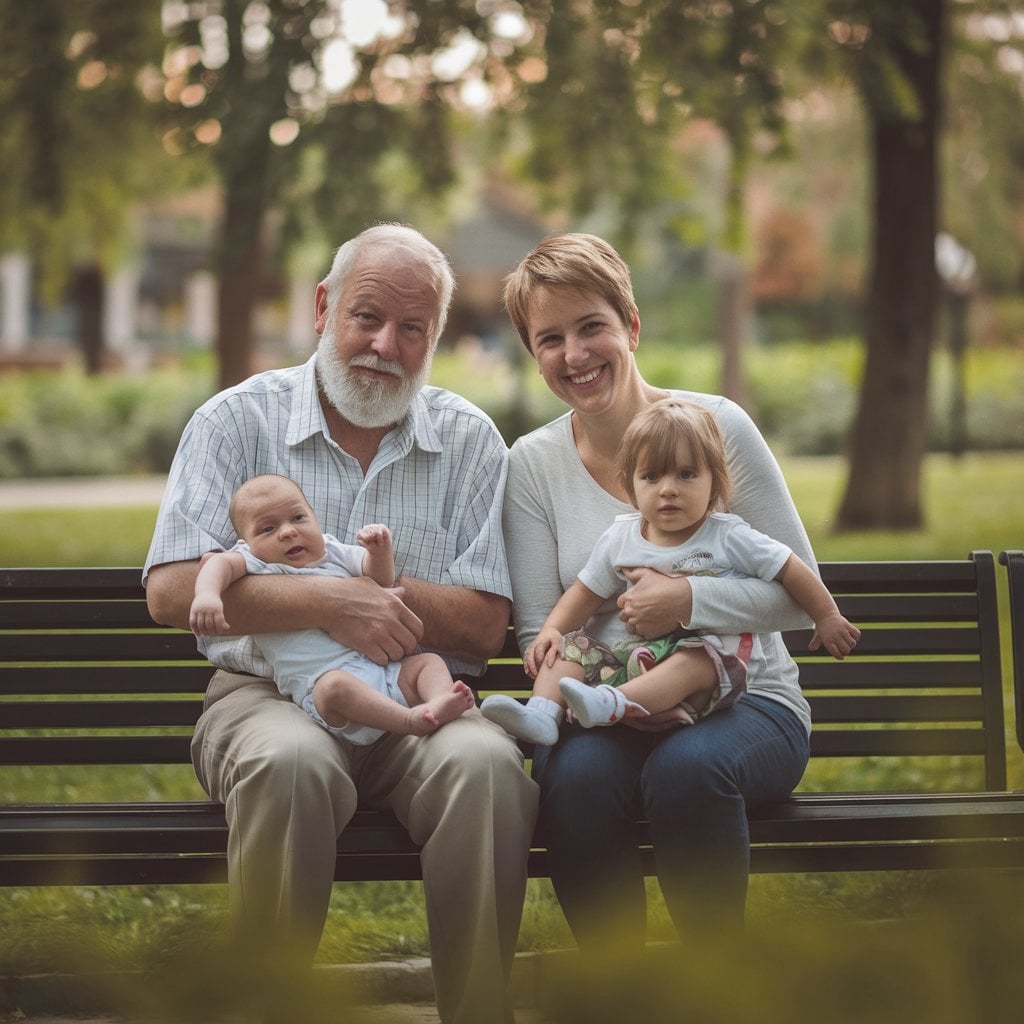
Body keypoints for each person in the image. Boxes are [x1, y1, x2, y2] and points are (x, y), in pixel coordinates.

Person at [144, 223, 538, 1024]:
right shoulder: (234, 420)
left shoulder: (469, 443)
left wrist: (382, 601)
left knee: (489, 768)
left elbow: (486, 623)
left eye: (412, 327)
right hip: (268, 696)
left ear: (435, 335)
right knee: (291, 763)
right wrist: (326, 599)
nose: (384, 344)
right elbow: (171, 587)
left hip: (415, 703)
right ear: (323, 307)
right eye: (366, 316)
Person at [500, 232, 820, 957]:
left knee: (689, 768)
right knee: (573, 779)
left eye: (592, 327)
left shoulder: (717, 428)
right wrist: (623, 697)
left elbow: (803, 596)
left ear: (632, 326)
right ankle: (623, 993)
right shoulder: (532, 466)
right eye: (550, 338)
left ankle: (713, 988)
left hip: (748, 704)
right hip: (604, 710)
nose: (574, 355)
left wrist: (689, 604)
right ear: (532, 352)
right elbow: (535, 633)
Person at [482, 398, 859, 746]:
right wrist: (552, 631)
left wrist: (826, 615)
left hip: (709, 665)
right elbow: (584, 593)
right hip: (630, 659)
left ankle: (611, 703)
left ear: (715, 481)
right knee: (570, 647)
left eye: (686, 475)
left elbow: (791, 568)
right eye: (651, 477)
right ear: (630, 484)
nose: (668, 490)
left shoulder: (729, 535)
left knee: (693, 659)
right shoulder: (621, 537)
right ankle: (542, 715)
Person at [189, 474, 476, 742]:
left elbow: (378, 579)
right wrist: (207, 595)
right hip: (326, 694)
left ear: (315, 518)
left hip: (386, 675)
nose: (288, 532)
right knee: (335, 686)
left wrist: (379, 552)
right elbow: (218, 563)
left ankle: (439, 701)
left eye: (298, 517)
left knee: (428, 663)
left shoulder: (332, 552)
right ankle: (409, 721)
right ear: (245, 543)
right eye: (268, 528)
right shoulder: (257, 563)